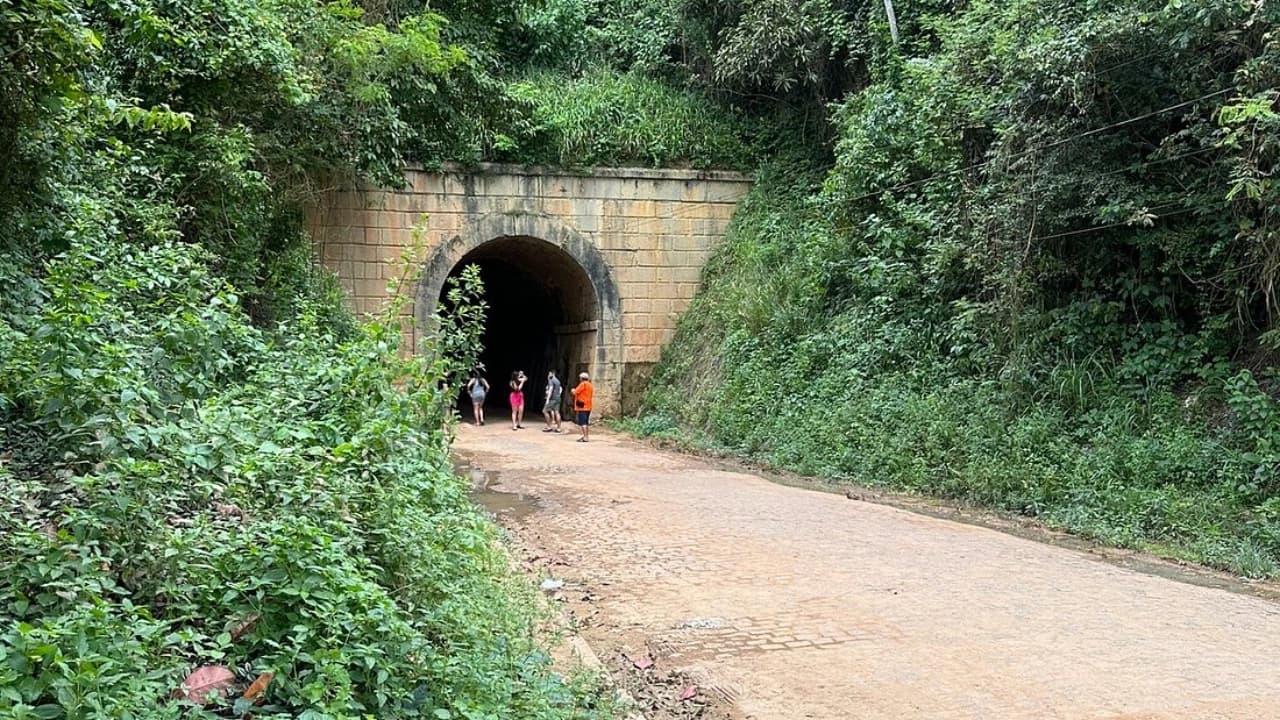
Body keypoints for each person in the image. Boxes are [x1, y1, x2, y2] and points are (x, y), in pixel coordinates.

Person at [570, 371, 593, 443]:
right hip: (588, 406)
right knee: (585, 422)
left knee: (583, 422)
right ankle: (586, 436)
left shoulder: (583, 384)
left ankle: (585, 437)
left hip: (582, 406)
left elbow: (575, 392)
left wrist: (573, 390)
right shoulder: (590, 385)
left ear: (581, 378)